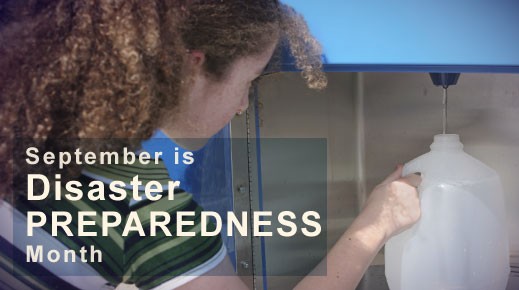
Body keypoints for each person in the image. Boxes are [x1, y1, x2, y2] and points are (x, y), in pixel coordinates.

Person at [0, 0, 421, 289]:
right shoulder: (143, 208)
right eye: (247, 82)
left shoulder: (23, 140)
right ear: (191, 69)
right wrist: (376, 225)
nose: (242, 106)